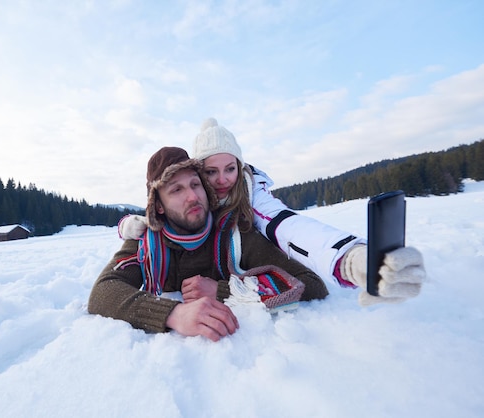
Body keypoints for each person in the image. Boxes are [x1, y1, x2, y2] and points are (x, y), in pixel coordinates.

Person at [119, 118, 425, 307]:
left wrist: (351, 259)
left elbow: (286, 226)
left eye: (230, 169)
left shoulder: (247, 211)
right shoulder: (156, 231)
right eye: (211, 172)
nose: (223, 180)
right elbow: (107, 289)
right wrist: (127, 226)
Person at [88, 147, 329, 342]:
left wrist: (223, 291)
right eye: (176, 190)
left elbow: (310, 283)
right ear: (158, 205)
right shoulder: (146, 242)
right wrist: (174, 313)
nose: (192, 196)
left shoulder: (233, 235)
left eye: (195, 184)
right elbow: (103, 293)